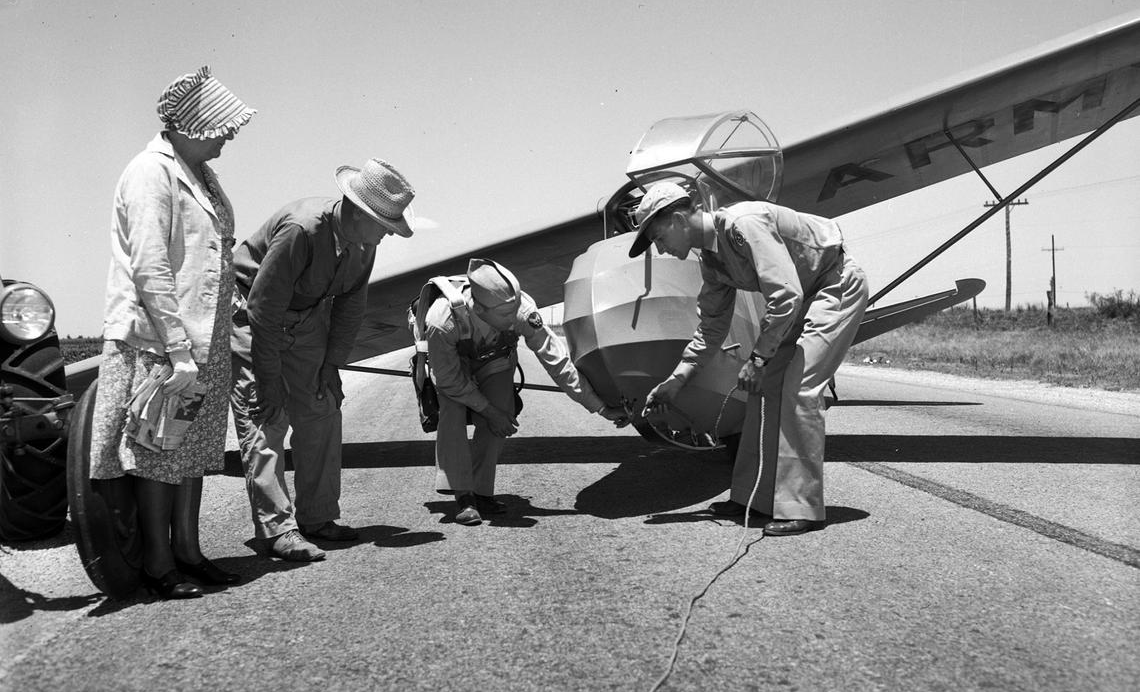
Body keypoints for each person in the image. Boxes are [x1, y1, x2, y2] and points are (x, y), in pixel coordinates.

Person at [89, 65, 256, 598]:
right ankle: (160, 565)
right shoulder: (150, 172)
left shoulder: (199, 173)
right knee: (160, 453)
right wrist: (179, 350)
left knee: (193, 451)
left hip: (200, 339)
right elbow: (151, 266)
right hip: (161, 341)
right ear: (194, 123)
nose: (229, 135)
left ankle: (188, 549)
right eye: (223, 126)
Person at [633, 182, 868, 536]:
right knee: (761, 392)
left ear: (680, 219)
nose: (661, 248)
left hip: (833, 286)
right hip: (801, 300)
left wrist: (757, 359)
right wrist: (676, 380)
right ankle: (751, 497)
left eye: (658, 236)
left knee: (798, 388)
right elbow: (711, 328)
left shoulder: (744, 224)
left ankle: (802, 506)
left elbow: (785, 295)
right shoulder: (712, 262)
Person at [230, 159, 415, 561]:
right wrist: (269, 377)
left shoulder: (364, 246)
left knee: (322, 407)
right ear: (358, 211)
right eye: (384, 225)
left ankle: (317, 517)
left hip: (307, 318)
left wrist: (331, 365)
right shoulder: (302, 229)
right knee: (267, 415)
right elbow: (263, 308)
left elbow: (351, 306)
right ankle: (277, 530)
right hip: (253, 315)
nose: (387, 234)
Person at [426, 258, 628, 525]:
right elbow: (449, 380)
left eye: (515, 310)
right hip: (455, 368)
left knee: (502, 415)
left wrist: (600, 407)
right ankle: (463, 495)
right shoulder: (443, 321)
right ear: (480, 307)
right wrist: (487, 410)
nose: (514, 320)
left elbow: (556, 359)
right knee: (452, 410)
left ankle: (481, 491)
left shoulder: (519, 309)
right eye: (504, 315)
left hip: (494, 359)